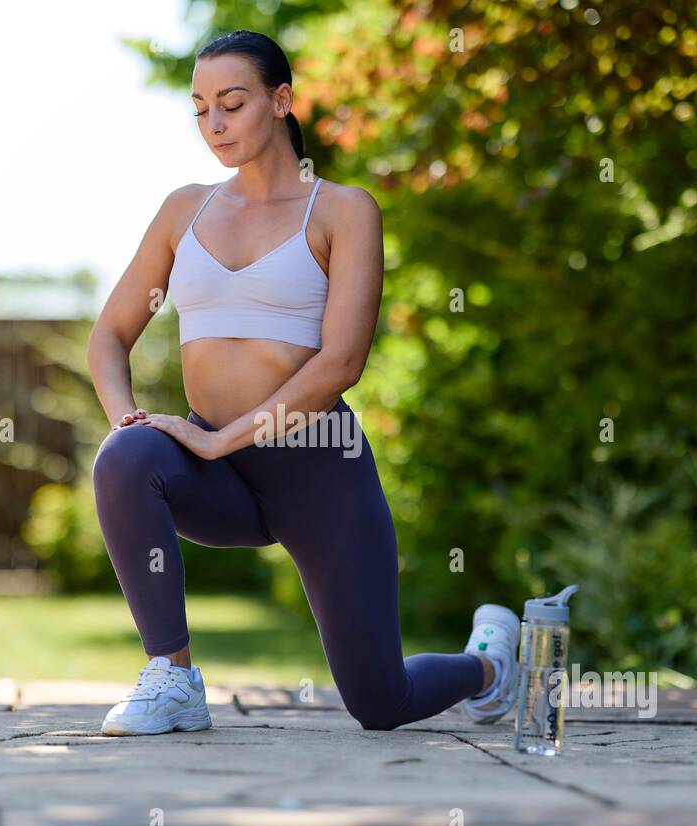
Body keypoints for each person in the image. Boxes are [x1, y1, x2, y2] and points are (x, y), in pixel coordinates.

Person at [86, 29, 521, 735]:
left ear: (282, 100)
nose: (215, 125)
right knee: (125, 458)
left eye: (232, 103)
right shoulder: (183, 210)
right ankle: (173, 678)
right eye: (200, 109)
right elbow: (109, 335)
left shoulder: (344, 211)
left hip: (319, 470)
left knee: (379, 704)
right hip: (212, 465)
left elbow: (341, 363)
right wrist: (127, 417)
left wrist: (225, 437)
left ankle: (493, 665)